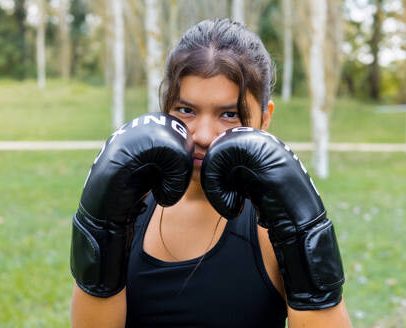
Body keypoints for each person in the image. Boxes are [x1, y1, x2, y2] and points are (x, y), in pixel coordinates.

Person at [70, 18, 352, 327]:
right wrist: (99, 225)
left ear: (265, 118)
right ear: (165, 110)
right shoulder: (129, 206)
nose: (203, 135)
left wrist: (305, 236)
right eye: (186, 110)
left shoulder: (271, 228)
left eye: (229, 114)